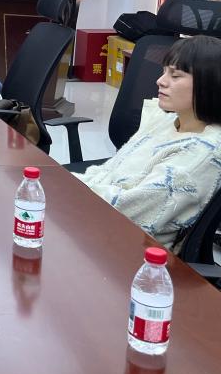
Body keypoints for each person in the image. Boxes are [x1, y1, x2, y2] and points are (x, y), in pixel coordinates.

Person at [79, 35, 221, 251]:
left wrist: (66, 190)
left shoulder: (201, 156)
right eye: (164, 72)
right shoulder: (168, 120)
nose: (161, 81)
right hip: (96, 220)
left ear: (209, 85)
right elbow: (109, 170)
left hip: (129, 250)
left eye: (175, 75)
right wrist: (65, 184)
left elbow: (127, 210)